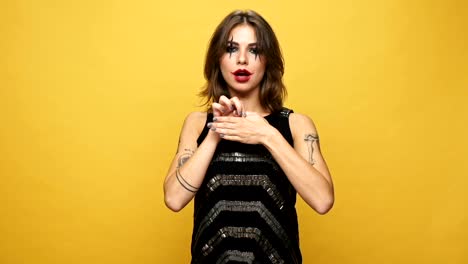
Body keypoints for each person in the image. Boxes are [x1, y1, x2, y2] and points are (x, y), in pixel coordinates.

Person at [164, 9, 334, 264]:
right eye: (231, 48)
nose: (242, 59)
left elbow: (322, 201)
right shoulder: (198, 124)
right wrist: (216, 133)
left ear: (268, 61)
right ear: (217, 59)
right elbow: (174, 199)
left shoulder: (296, 125)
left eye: (254, 50)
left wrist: (268, 135)